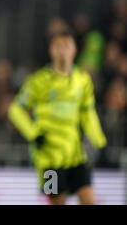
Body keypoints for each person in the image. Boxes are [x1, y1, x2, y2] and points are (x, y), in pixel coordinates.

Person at [8, 30, 107, 205]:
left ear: (74, 49)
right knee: (57, 201)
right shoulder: (38, 81)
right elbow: (15, 109)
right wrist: (33, 134)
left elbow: (88, 113)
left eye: (66, 46)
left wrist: (99, 141)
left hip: (76, 155)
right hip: (49, 157)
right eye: (58, 46)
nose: (62, 51)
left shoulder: (82, 80)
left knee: (89, 200)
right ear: (51, 50)